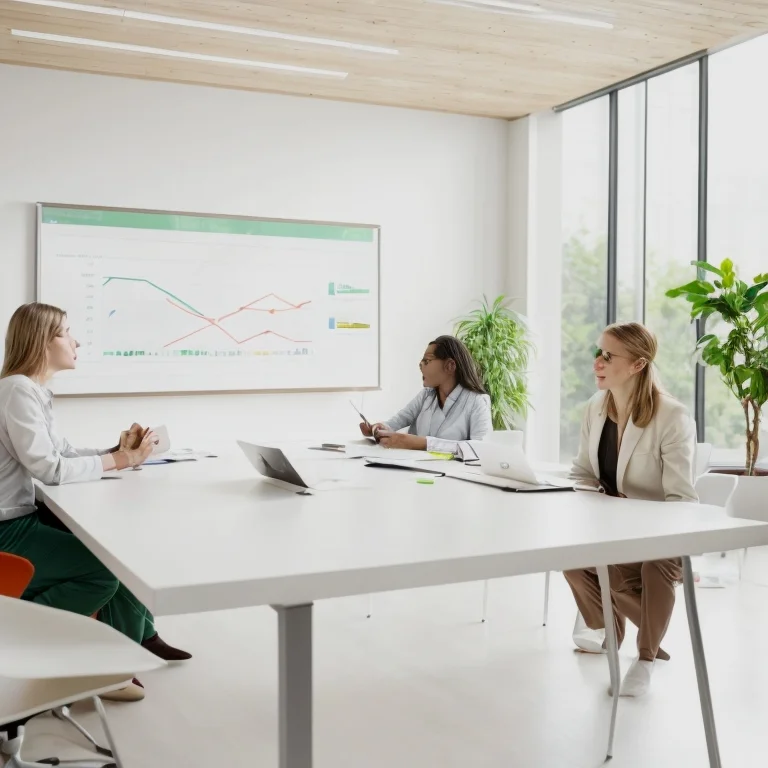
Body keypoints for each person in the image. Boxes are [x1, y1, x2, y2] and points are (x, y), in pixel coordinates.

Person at [0, 302, 192, 703]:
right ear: (42, 340)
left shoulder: (31, 390)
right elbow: (50, 469)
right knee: (102, 573)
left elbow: (63, 452)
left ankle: (140, 638)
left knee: (117, 552)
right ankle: (61, 653)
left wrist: (116, 451)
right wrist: (120, 461)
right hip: (8, 531)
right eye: (67, 332)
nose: (77, 341)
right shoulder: (17, 389)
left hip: (18, 518)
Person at [563, 322, 697, 698]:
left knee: (653, 566)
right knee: (570, 558)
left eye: (608, 356)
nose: (597, 363)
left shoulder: (671, 416)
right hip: (611, 527)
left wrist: (635, 524)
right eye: (598, 353)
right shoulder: (595, 407)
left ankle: (646, 657)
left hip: (661, 532)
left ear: (637, 365)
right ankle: (614, 627)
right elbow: (583, 473)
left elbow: (682, 498)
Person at [360, 335, 491, 454]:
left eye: (427, 361)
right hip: (414, 468)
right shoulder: (426, 395)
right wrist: (380, 428)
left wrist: (423, 443)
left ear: (450, 366)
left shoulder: (477, 401)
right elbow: (397, 421)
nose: (420, 365)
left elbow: (482, 449)